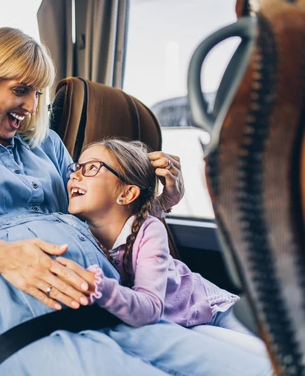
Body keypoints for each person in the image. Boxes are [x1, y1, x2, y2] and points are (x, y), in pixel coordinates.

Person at [0, 27, 272, 375]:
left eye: (38, 94)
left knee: (261, 367)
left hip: (108, 305)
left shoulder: (48, 145)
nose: (30, 107)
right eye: (20, 90)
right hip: (20, 314)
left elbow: (101, 207)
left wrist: (162, 204)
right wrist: (2, 256)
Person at [59, 137, 267, 356]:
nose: (75, 175)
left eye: (92, 168)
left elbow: (150, 305)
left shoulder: (147, 229)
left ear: (127, 194)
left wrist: (100, 288)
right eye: (77, 167)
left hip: (210, 308)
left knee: (272, 355)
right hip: (182, 324)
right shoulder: (78, 234)